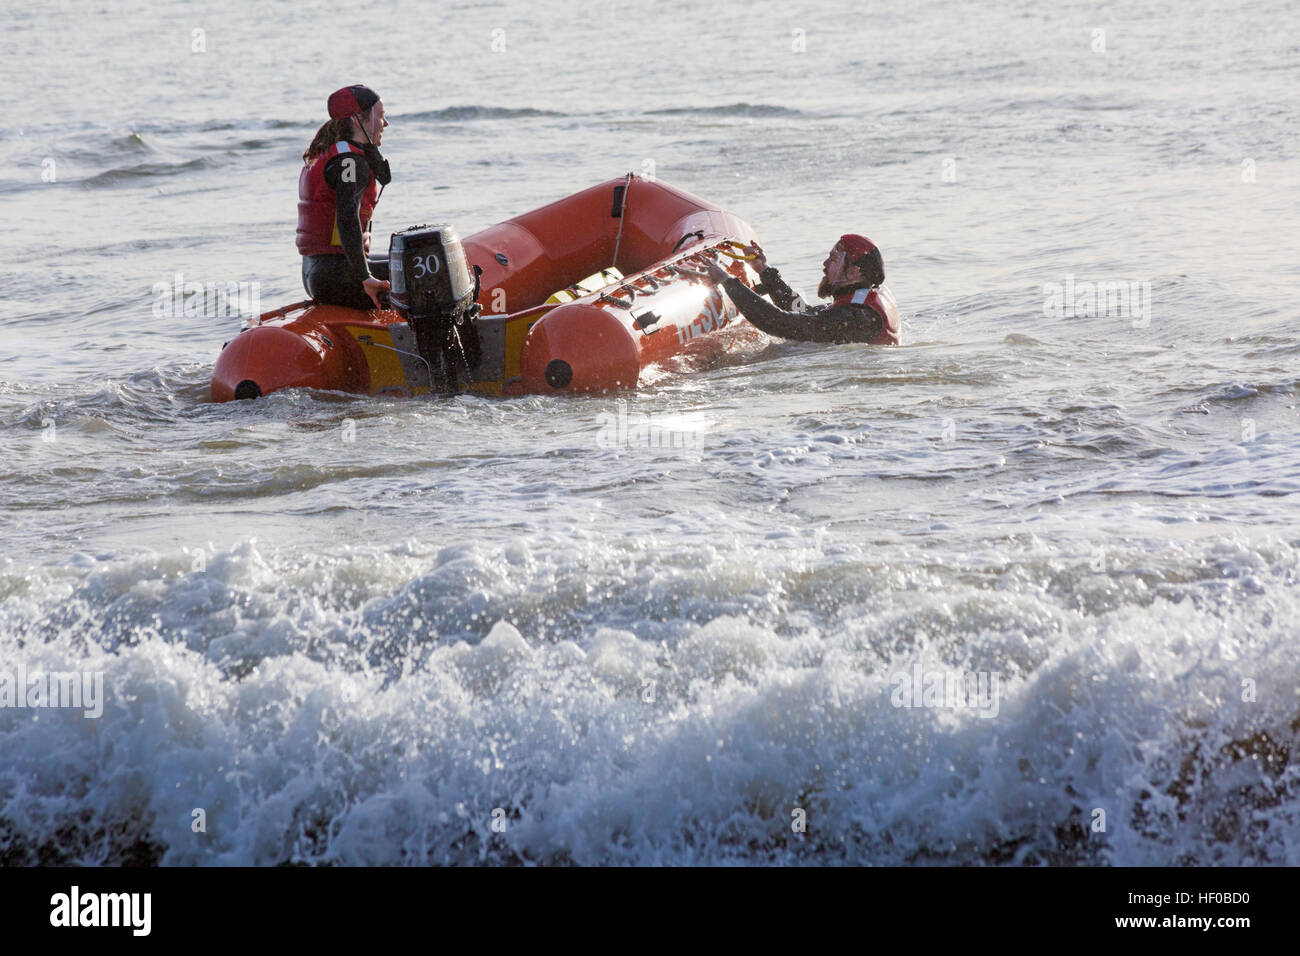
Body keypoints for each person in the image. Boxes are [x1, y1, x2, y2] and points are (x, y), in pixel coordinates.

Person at [296, 85, 393, 310]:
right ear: (358, 119)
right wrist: (364, 277)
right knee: (432, 268)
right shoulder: (349, 162)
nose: (385, 124)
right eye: (381, 116)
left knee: (404, 257)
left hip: (317, 271)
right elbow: (347, 217)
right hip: (338, 276)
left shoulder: (329, 152)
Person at [705, 234, 900, 345]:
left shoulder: (857, 317)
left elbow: (781, 324)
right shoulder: (861, 299)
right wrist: (764, 271)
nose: (825, 264)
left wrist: (727, 281)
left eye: (833, 259)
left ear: (853, 272)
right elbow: (802, 313)